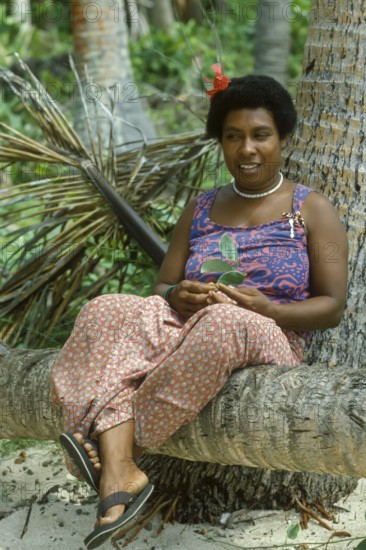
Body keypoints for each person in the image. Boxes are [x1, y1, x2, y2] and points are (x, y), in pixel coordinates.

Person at [51, 65, 348, 549]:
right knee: (104, 308)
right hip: (182, 326)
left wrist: (269, 309)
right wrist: (175, 294)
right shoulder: (203, 205)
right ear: (221, 142)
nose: (247, 149)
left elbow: (332, 306)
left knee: (224, 320)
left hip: (268, 333)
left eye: (260, 135)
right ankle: (121, 472)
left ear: (283, 139)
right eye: (233, 136)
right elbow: (163, 283)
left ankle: (114, 452)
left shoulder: (310, 209)